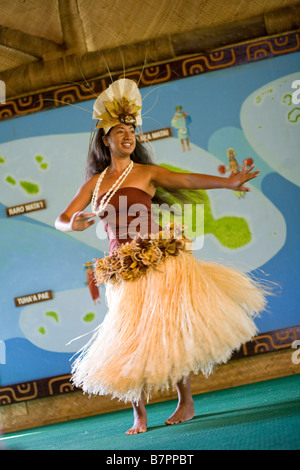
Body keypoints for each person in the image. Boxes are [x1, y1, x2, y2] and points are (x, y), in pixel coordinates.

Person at [55, 79, 268, 435]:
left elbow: (185, 182)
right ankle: (138, 413)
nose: (128, 136)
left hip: (158, 259)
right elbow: (63, 219)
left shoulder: (147, 173)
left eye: (131, 131)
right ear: (105, 139)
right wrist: (72, 223)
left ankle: (185, 401)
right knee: (129, 337)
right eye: (119, 131)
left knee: (168, 329)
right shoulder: (94, 183)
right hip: (122, 268)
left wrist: (229, 183)